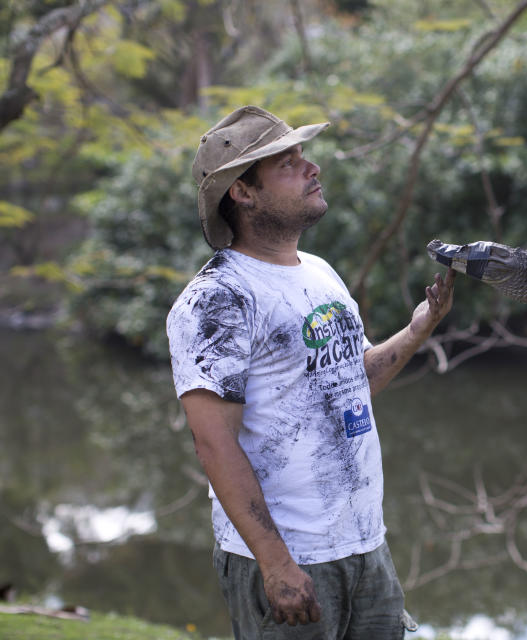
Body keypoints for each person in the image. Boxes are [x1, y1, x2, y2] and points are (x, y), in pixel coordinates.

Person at [166, 105, 456, 639]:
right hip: (288, 557)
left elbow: (351, 385)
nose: (311, 167)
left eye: (304, 156)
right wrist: (275, 563)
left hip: (365, 544)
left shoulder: (318, 272)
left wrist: (418, 330)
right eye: (288, 163)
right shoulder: (218, 299)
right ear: (243, 192)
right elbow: (214, 443)